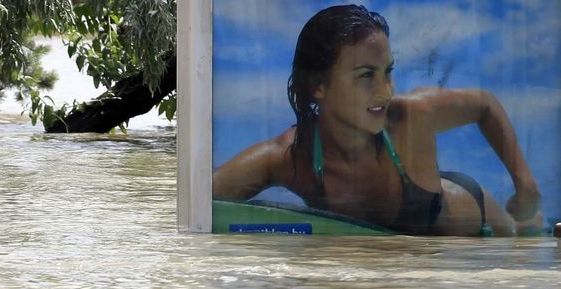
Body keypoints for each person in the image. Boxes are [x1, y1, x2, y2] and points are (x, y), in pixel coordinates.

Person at [212, 4, 542, 236]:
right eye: (367, 75)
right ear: (318, 86)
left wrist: (524, 183)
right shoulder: (289, 157)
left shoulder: (411, 115)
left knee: (525, 236)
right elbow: (199, 198)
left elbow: (484, 105)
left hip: (474, 219)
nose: (386, 92)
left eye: (388, 72)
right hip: (406, 248)